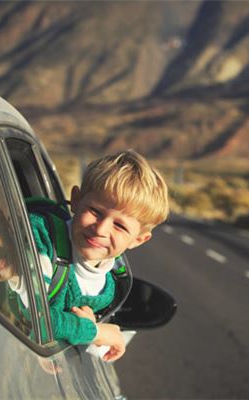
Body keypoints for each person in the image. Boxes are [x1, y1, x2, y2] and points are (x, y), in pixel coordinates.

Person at [26, 149, 170, 361]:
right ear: (75, 200)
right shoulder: (40, 238)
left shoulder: (110, 285)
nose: (101, 229)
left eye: (120, 226)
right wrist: (96, 332)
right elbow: (27, 317)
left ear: (138, 240)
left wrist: (91, 332)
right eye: (95, 211)